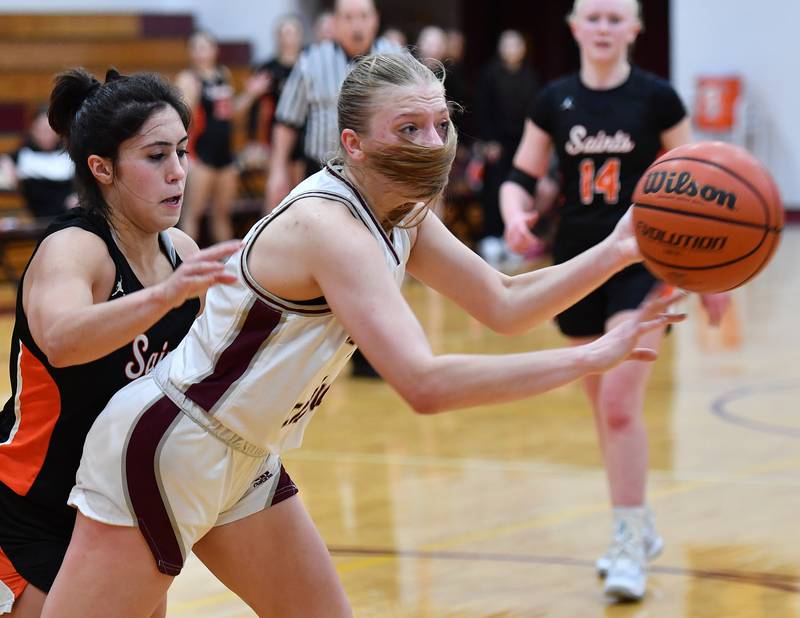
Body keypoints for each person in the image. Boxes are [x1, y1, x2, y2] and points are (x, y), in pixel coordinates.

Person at [41, 52, 684, 618]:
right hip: (169, 448)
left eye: (440, 124)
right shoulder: (333, 228)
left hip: (243, 454)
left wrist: (620, 248)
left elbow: (504, 301)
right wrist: (596, 355)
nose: (432, 143)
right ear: (353, 144)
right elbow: (425, 385)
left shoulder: (402, 212)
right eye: (408, 129)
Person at [499, 0, 730, 601]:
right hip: (576, 265)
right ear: (574, 27)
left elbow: (702, 177)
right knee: (606, 408)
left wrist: (713, 276)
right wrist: (515, 215)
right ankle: (639, 519)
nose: (603, 27)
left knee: (622, 403)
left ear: (635, 29)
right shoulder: (553, 100)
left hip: (646, 261)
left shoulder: (657, 98)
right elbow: (521, 178)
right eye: (592, 17)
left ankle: (627, 539)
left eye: (614, 17)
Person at [0, 68, 240, 617]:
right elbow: (61, 340)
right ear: (102, 168)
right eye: (156, 157)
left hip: (119, 509)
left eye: (182, 151)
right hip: (28, 509)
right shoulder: (74, 250)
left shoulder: (179, 247)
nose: (179, 173)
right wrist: (162, 297)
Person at [265, 0, 398, 212]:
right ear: (335, 23)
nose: (357, 25)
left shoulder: (397, 59)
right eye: (348, 17)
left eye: (363, 16)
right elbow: (287, 121)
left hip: (382, 171)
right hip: (323, 172)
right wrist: (278, 170)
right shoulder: (311, 60)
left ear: (375, 20)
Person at [176, 30, 269, 243]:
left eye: (205, 47)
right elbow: (182, 117)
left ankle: (228, 269)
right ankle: (185, 266)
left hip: (225, 155)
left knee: (222, 215)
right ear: (190, 52)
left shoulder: (223, 75)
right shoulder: (188, 79)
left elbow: (232, 114)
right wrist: (192, 96)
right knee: (193, 214)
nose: (201, 53)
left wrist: (252, 94)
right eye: (196, 48)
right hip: (201, 155)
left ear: (214, 50)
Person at [474, 30, 543, 267]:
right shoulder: (490, 75)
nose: (511, 49)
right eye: (507, 44)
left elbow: (535, 113)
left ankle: (514, 237)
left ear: (523, 49)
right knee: (494, 188)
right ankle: (491, 237)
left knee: (519, 187)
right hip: (496, 143)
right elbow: (482, 110)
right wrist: (487, 141)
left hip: (522, 143)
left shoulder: (530, 76)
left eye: (516, 44)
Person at [246, 16, 307, 188]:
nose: (288, 39)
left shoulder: (309, 66)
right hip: (277, 135)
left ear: (300, 36)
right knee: (278, 190)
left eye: (292, 33)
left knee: (301, 189)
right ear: (277, 37)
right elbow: (254, 108)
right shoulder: (267, 68)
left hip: (306, 134)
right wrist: (253, 141)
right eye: (284, 34)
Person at [0, 106, 76, 219]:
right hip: (40, 219)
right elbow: (6, 181)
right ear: (32, 130)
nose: (46, 135)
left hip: (71, 216)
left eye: (50, 130)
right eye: (41, 129)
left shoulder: (69, 154)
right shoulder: (22, 155)